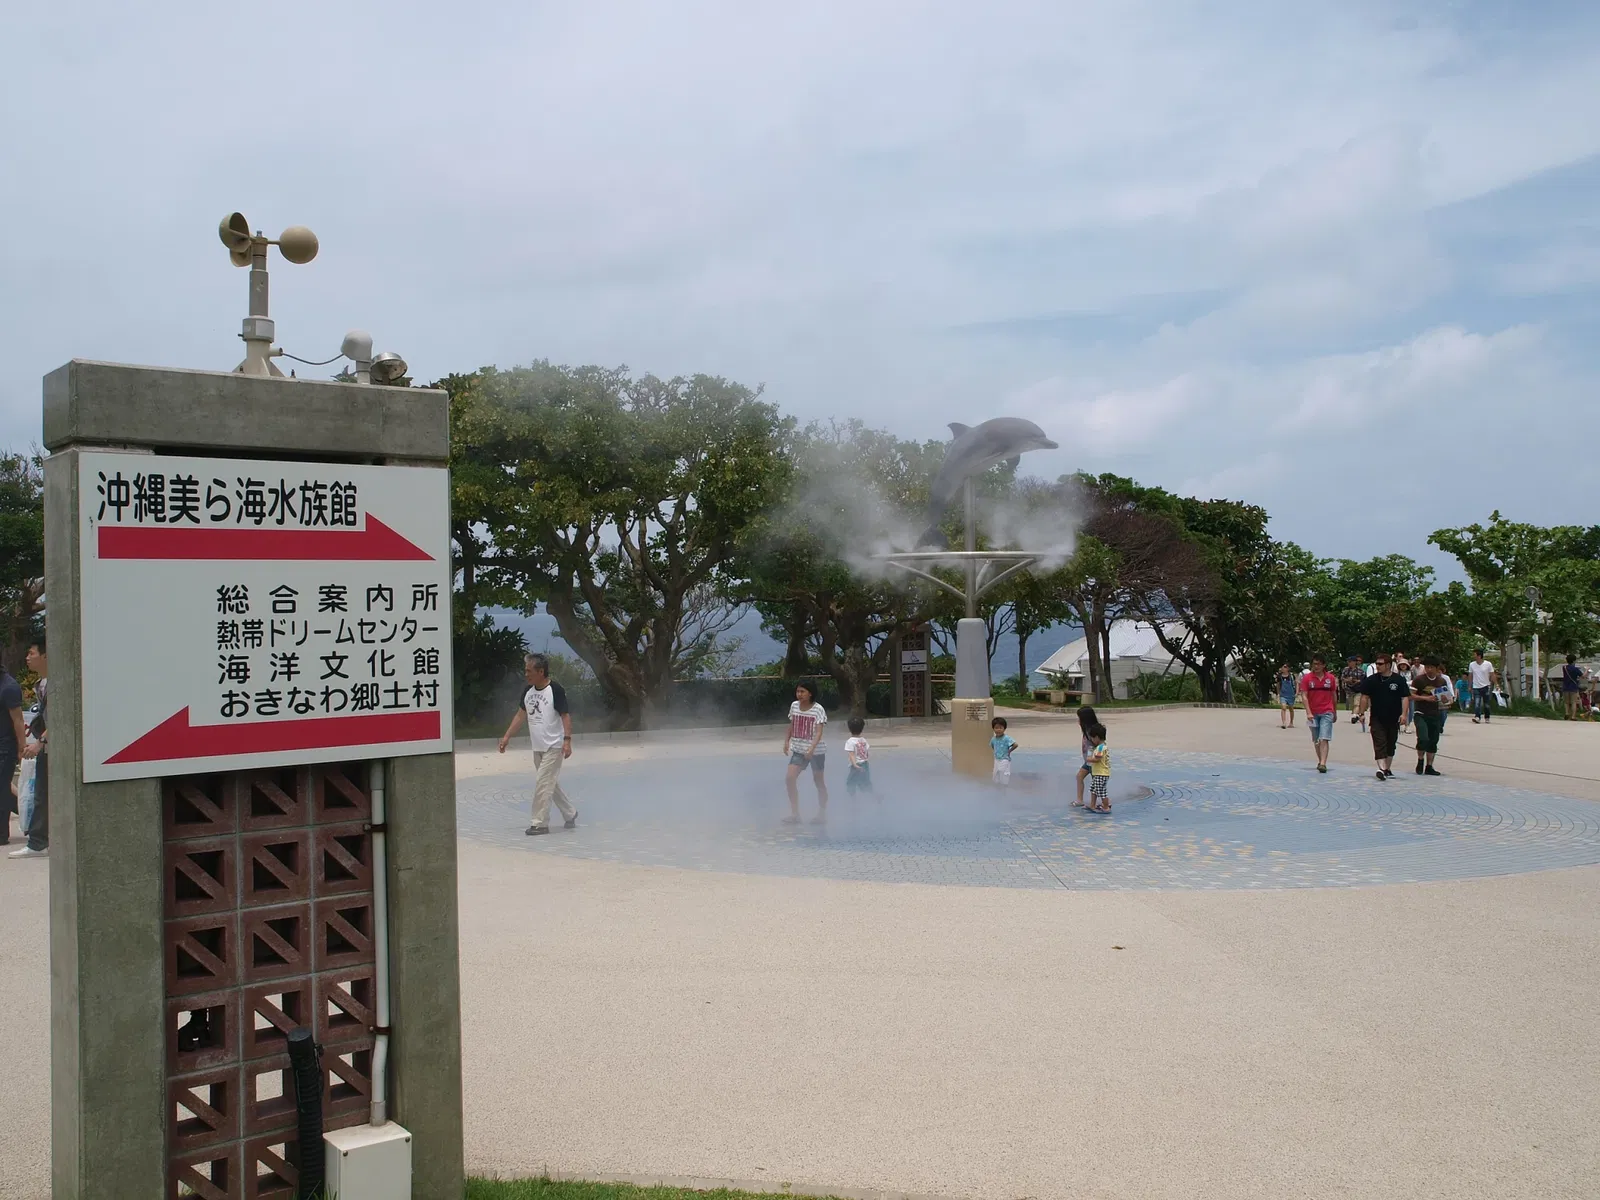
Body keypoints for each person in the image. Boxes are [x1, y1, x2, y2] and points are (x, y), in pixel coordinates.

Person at [496, 652, 578, 835]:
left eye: (529, 671)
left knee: (542, 783)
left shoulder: (555, 690)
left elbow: (565, 716)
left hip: (554, 746)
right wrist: (506, 737)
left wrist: (567, 741)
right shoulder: (528, 691)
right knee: (550, 783)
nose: (526, 674)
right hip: (537, 747)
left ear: (541, 671)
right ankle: (570, 813)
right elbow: (520, 715)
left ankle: (539, 823)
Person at [10, 638, 48, 858]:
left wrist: (40, 742)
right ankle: (39, 840)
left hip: (49, 746)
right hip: (45, 745)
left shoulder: (55, 683)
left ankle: (38, 842)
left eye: (31, 653)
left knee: (43, 794)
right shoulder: (42, 683)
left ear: (45, 655)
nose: (27, 657)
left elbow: (60, 719)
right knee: (41, 794)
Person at [1355, 654, 1411, 781]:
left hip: (1393, 717)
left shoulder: (1399, 680)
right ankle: (1381, 768)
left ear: (1388, 665)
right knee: (1379, 743)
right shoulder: (1371, 680)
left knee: (1391, 744)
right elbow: (1364, 697)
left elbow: (1405, 697)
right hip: (1377, 717)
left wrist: (1404, 714)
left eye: (1380, 664)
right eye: (1377, 664)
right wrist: (1361, 713)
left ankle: (1387, 768)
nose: (1377, 666)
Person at [781, 680, 828, 824]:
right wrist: (786, 741)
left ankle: (822, 814)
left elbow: (819, 732)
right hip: (798, 750)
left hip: (816, 751)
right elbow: (792, 724)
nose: (799, 694)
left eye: (802, 692)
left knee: (818, 781)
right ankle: (795, 814)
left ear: (810, 693)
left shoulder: (818, 709)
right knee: (789, 778)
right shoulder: (794, 706)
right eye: (798, 691)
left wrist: (811, 748)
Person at [1409, 657, 1453, 776]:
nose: (1429, 670)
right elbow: (1411, 696)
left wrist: (1445, 700)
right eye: (1427, 667)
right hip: (1420, 713)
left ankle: (1429, 765)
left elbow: (1446, 699)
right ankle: (1420, 760)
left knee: (1433, 740)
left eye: (1431, 667)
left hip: (1435, 713)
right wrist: (1425, 698)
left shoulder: (1441, 681)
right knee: (1423, 738)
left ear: (1437, 668)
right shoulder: (1419, 680)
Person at [1299, 656, 1338, 773]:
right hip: (1313, 712)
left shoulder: (1330, 678)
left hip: (1327, 711)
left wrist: (1334, 711)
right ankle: (1320, 759)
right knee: (1316, 739)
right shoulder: (1307, 678)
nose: (1316, 666)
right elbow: (1304, 695)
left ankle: (1323, 763)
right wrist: (1308, 712)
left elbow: (1334, 695)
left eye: (1318, 664)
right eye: (1314, 664)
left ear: (1323, 665)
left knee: (1324, 738)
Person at [0, 654, 23, 847]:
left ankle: (1, 834)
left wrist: (21, 748)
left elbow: (18, 720)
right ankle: (29, 816)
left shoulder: (9, 687)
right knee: (5, 789)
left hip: (5, 747)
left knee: (2, 789)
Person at [1073, 705, 1099, 807]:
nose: (1078, 721)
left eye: (1079, 719)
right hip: (1088, 761)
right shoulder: (1086, 731)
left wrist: (1095, 758)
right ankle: (1080, 800)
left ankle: (1100, 802)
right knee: (1079, 777)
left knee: (1096, 782)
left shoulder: (1092, 732)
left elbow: (1099, 745)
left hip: (1093, 762)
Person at [1085, 722, 1112, 812]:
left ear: (1096, 737)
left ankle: (1106, 807)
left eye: (1092, 738)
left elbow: (1097, 759)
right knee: (1093, 789)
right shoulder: (1102, 746)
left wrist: (1089, 759)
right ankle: (1092, 805)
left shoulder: (1100, 748)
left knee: (1101, 791)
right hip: (1099, 773)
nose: (1092, 740)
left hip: (1101, 773)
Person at [844, 716, 872, 794]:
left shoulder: (850, 741)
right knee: (865, 783)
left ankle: (853, 801)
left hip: (856, 765)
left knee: (850, 783)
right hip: (865, 764)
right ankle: (874, 797)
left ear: (849, 729)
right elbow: (867, 752)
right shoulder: (863, 740)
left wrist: (855, 765)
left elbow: (851, 754)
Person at [1468, 650, 1495, 724]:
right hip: (1476, 686)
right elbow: (1470, 675)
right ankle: (1477, 717)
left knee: (1486, 704)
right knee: (1477, 703)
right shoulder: (1472, 664)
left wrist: (1496, 684)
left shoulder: (1488, 664)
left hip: (1485, 686)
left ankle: (1487, 717)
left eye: (1475, 655)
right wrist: (1469, 686)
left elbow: (1492, 674)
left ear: (1479, 656)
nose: (1473, 656)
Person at [990, 717, 1018, 787]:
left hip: (1005, 759)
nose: (998, 730)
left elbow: (1015, 744)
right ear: (993, 728)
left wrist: (1009, 751)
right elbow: (993, 746)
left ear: (1004, 728)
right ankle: (997, 789)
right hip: (997, 759)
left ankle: (1004, 789)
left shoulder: (1006, 738)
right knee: (995, 774)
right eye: (996, 728)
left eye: (1000, 728)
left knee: (1003, 773)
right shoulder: (993, 739)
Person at [1341, 655, 1367, 729]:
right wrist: (1347, 680)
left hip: (1358, 690)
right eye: (1348, 661)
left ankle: (1354, 716)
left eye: (1350, 661)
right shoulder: (1346, 670)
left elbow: (1364, 680)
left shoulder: (1361, 671)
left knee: (1356, 704)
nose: (1348, 663)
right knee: (1352, 704)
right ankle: (1355, 714)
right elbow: (1342, 678)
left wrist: (1356, 681)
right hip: (1349, 690)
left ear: (1355, 662)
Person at [1562, 654, 1588, 720]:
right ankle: (1573, 716)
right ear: (1574, 660)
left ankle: (1567, 713)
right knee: (1573, 702)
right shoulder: (1575, 669)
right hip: (1573, 687)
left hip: (1565, 686)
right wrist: (1587, 670)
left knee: (1566, 702)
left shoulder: (1564, 668)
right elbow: (1583, 676)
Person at [1276, 664, 1297, 729]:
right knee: (1283, 707)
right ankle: (1284, 722)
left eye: (1285, 667)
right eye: (1283, 667)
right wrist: (1278, 693)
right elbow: (1278, 685)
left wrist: (1297, 692)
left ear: (1288, 669)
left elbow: (1297, 684)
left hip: (1291, 694)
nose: (1283, 668)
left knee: (1291, 708)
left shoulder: (1292, 676)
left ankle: (1291, 722)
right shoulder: (1279, 676)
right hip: (1283, 694)